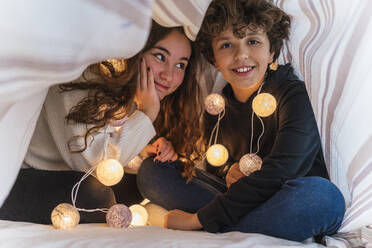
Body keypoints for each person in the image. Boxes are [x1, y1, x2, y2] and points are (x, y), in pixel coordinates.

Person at [136, 0, 345, 242]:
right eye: (226, 45)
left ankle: (215, 226)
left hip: (289, 198)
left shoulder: (293, 95)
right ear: (213, 60)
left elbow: (284, 170)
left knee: (323, 198)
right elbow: (217, 172)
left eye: (253, 42)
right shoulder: (218, 106)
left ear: (271, 52)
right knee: (153, 171)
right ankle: (238, 225)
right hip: (241, 202)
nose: (241, 55)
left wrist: (198, 220)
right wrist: (229, 171)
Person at [0, 21, 203, 224]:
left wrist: (143, 153)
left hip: (63, 176)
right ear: (136, 51)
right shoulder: (87, 76)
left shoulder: (133, 96)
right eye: (160, 57)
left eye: (180, 65)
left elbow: (106, 147)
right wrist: (147, 113)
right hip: (17, 179)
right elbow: (92, 163)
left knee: (136, 183)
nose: (168, 75)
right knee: (95, 195)